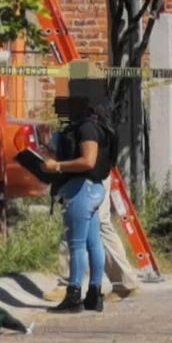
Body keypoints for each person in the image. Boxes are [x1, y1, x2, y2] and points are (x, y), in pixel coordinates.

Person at [41, 96, 117, 313]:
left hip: (81, 190)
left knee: (77, 245)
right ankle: (94, 295)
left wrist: (57, 166)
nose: (59, 110)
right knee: (94, 243)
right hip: (92, 189)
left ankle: (74, 296)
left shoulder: (86, 129)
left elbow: (88, 161)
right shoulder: (92, 127)